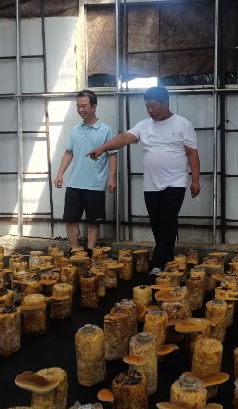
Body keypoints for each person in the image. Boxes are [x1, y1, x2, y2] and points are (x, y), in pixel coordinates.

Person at [86, 86, 201, 274]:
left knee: (167, 222)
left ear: (165, 103)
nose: (150, 110)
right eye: (147, 106)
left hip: (175, 183)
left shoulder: (182, 124)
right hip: (151, 185)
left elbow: (192, 153)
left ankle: (157, 265)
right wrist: (103, 148)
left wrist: (195, 180)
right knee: (157, 224)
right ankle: (167, 261)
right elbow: (125, 138)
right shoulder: (144, 125)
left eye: (153, 106)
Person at [54, 90, 117, 252]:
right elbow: (69, 152)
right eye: (78, 106)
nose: (80, 109)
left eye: (84, 106)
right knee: (70, 219)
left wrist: (112, 178)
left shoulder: (106, 130)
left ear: (94, 107)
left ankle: (90, 251)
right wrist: (60, 174)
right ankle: (74, 251)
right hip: (74, 183)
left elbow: (112, 155)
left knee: (94, 221)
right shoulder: (76, 130)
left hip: (95, 184)